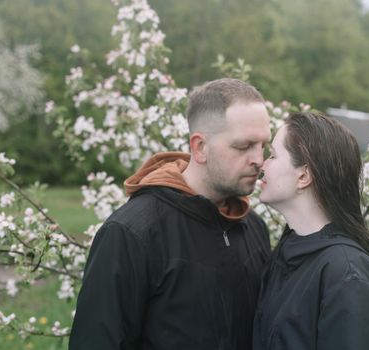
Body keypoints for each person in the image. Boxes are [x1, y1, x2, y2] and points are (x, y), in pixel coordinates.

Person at [69, 78, 272, 350]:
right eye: (243, 146)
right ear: (200, 147)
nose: (258, 159)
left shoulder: (253, 227)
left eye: (263, 146)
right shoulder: (131, 233)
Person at [253, 111, 369, 350]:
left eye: (272, 155)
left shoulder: (347, 274)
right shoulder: (289, 253)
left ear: (303, 176)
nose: (262, 164)